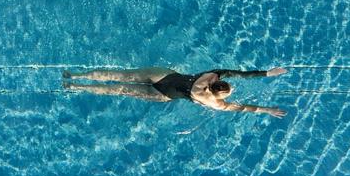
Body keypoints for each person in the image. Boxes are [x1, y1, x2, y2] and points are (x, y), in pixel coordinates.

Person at [63, 65, 288, 117]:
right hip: (164, 95)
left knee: (120, 76)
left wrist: (266, 73)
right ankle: (75, 87)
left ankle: (73, 75)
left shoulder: (210, 76)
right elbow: (244, 108)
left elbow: (238, 73)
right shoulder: (215, 103)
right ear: (220, 94)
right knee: (119, 90)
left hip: (164, 76)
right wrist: (266, 110)